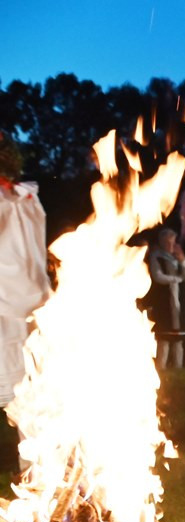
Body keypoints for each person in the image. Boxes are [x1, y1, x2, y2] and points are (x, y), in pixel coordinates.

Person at [0, 132, 50, 471]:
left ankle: (40, 486)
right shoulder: (25, 198)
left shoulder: (20, 200)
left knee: (31, 402)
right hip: (29, 307)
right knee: (32, 401)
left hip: (14, 308)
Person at [147, 228, 185, 369]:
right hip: (164, 300)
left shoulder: (180, 258)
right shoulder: (156, 257)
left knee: (178, 339)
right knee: (164, 337)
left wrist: (183, 261)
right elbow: (158, 276)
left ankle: (178, 368)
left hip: (180, 300)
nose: (170, 244)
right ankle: (162, 368)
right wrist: (176, 279)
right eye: (167, 241)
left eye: (172, 241)